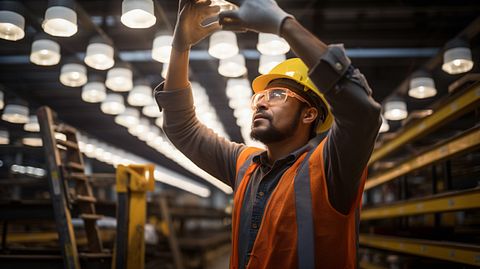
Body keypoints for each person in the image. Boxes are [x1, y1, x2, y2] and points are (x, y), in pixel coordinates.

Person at [154, 0, 382, 268]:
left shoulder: (331, 167)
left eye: (277, 95)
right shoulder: (244, 164)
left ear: (309, 114)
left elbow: (362, 113)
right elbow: (181, 127)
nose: (261, 102)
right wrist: (180, 47)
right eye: (260, 97)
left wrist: (283, 25)